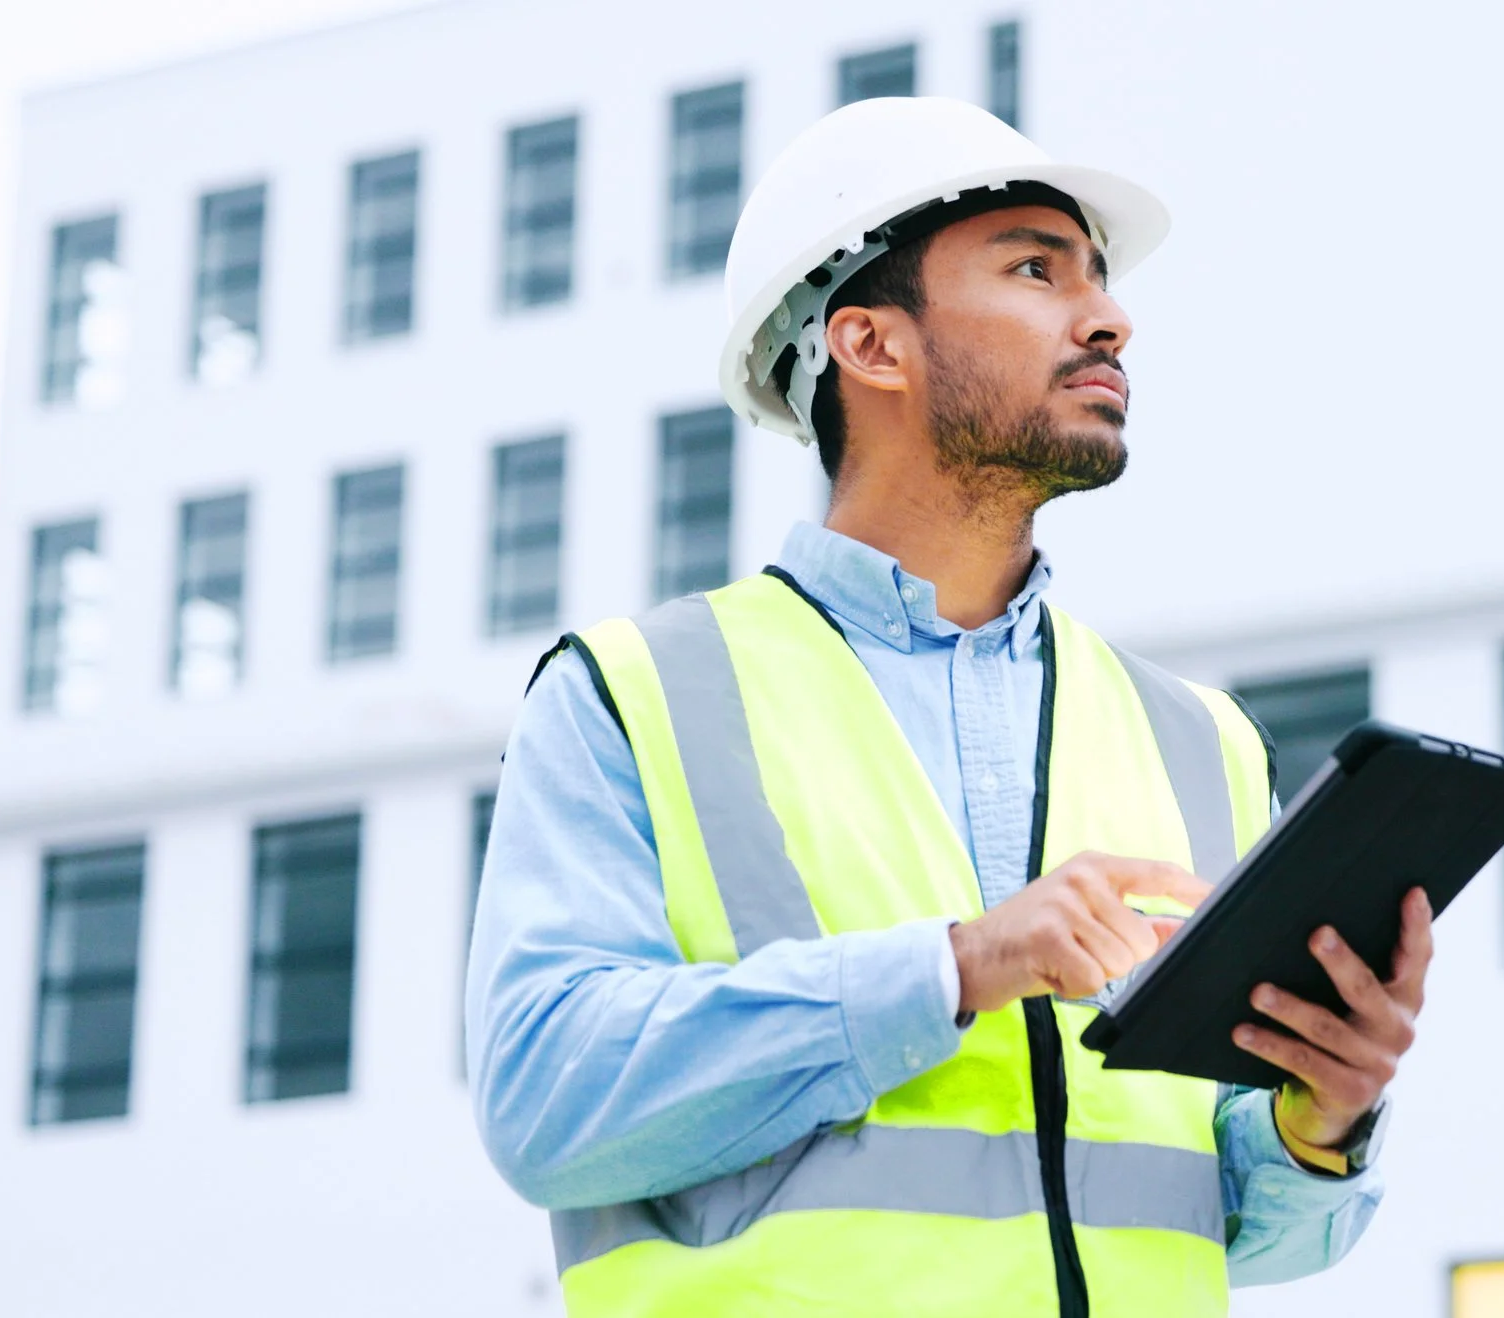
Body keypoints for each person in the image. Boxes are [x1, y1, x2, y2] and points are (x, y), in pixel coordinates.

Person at [466, 97, 1431, 1318]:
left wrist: (1320, 1117)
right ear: (871, 344)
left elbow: (1233, 1226)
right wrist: (957, 967)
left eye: (1099, 280)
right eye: (1037, 269)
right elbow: (548, 1104)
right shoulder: (632, 695)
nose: (1110, 318)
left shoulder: (1204, 741)